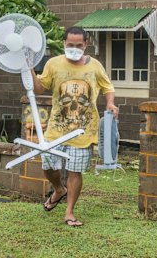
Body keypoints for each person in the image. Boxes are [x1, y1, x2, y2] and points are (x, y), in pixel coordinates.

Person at [31, 26, 118, 227]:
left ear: (86, 45)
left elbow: (108, 87)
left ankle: (69, 212)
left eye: (79, 45)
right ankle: (58, 189)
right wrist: (28, 69)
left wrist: (111, 103)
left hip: (84, 131)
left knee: (74, 171)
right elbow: (39, 88)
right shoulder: (53, 64)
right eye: (70, 45)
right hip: (56, 128)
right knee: (48, 165)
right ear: (64, 43)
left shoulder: (95, 66)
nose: (74, 48)